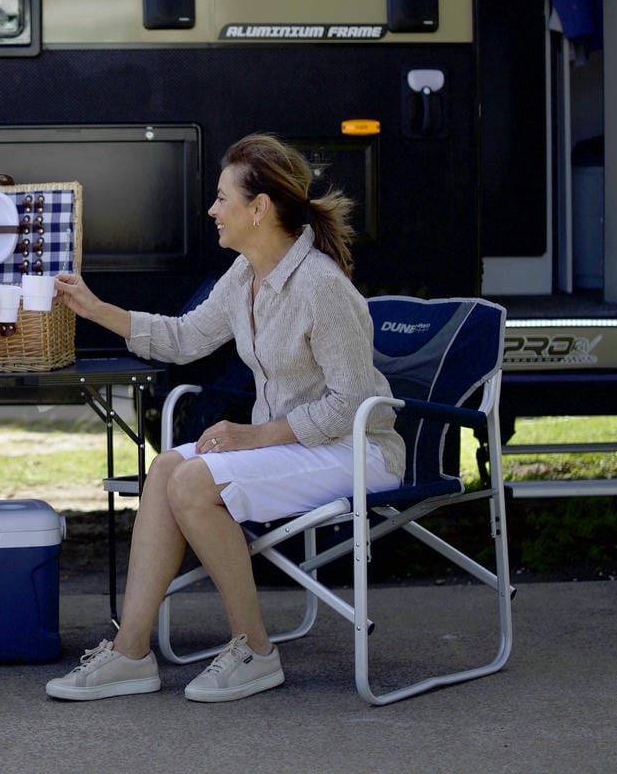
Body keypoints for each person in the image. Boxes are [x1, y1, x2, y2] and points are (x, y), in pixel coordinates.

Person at [44, 132, 402, 703]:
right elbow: (183, 339)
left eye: (222, 198)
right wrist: (93, 308)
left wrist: (257, 435)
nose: (212, 210)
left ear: (258, 208)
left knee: (192, 481)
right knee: (166, 469)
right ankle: (131, 654)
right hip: (294, 447)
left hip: (356, 449)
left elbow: (352, 403)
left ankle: (255, 651)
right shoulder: (243, 278)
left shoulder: (320, 288)